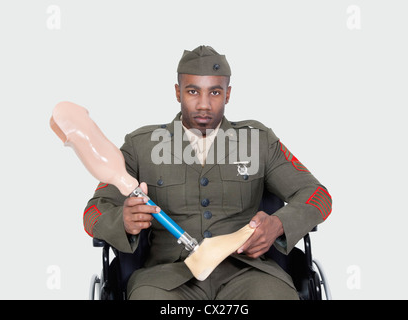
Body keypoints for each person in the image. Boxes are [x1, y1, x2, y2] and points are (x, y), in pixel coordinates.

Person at [83, 45, 332, 300]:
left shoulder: (258, 141)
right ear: (178, 92)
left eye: (214, 92)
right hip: (166, 278)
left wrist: (278, 225)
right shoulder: (141, 146)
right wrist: (123, 221)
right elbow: (94, 212)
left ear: (228, 94)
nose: (204, 104)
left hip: (248, 272)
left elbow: (318, 195)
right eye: (193, 91)